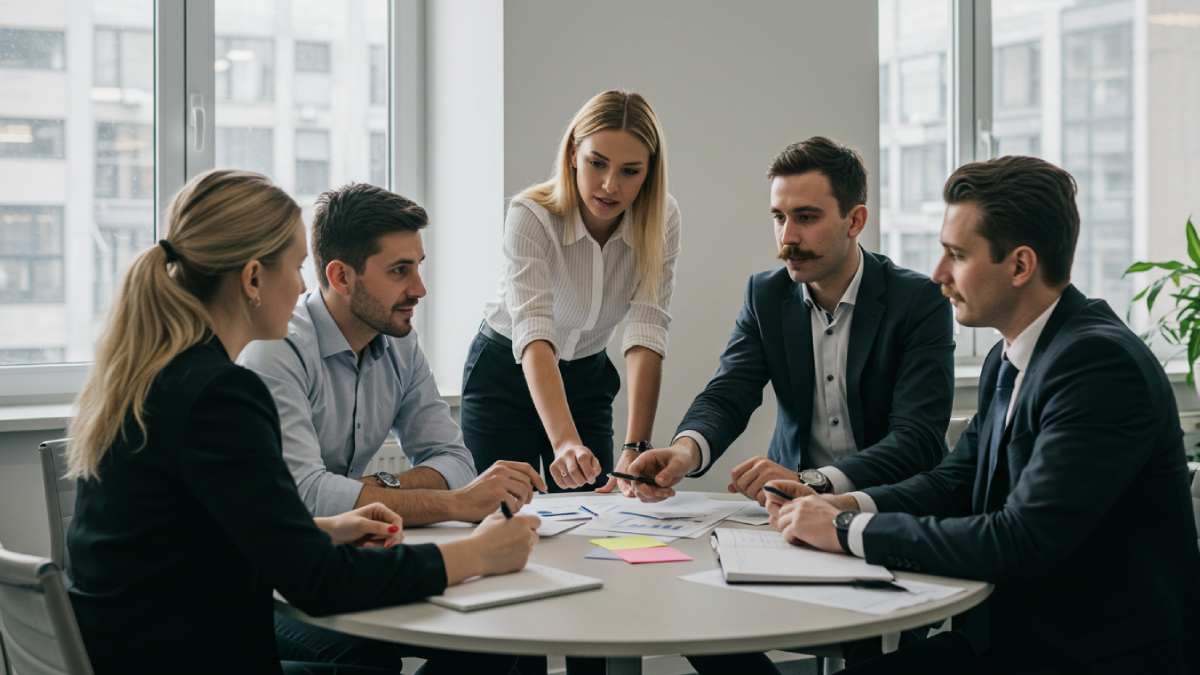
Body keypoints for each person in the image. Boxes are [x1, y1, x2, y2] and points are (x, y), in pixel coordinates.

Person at [65, 169, 539, 675]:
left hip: (147, 648)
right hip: (198, 656)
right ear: (252, 279)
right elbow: (317, 581)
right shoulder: (221, 394)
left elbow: (191, 530)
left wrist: (322, 527)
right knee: (483, 657)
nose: (300, 289)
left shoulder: (158, 374)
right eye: (294, 269)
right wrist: (477, 555)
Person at [759, 156, 1200, 675]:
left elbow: (1020, 538)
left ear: (1019, 266)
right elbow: (956, 480)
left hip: (1085, 654)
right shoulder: (1008, 354)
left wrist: (847, 528)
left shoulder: (1097, 365)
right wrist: (839, 502)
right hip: (1007, 640)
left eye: (956, 255)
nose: (938, 273)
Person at [627, 137, 953, 508]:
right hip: (789, 508)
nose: (788, 237)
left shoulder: (919, 301)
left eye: (806, 217)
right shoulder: (765, 295)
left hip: (889, 506)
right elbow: (729, 393)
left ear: (856, 220)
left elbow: (917, 438)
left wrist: (814, 482)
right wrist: (685, 451)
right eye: (779, 217)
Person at [240, 183, 545, 526]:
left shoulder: (400, 342)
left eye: (418, 267)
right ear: (341, 277)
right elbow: (304, 497)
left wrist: (373, 487)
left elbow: (456, 461)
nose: (419, 289)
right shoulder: (276, 347)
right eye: (400, 270)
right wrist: (454, 504)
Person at [461, 90, 681, 497]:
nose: (610, 185)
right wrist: (563, 442)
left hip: (586, 378)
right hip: (506, 375)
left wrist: (637, 447)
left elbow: (647, 329)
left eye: (630, 171)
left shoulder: (662, 217)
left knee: (595, 515)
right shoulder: (531, 214)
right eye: (597, 163)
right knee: (506, 514)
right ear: (573, 155)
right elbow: (535, 333)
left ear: (649, 172)